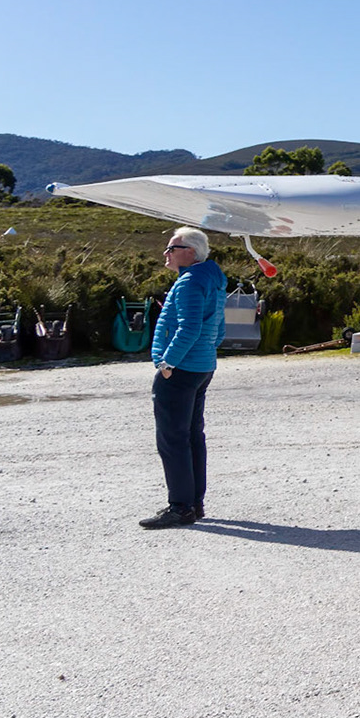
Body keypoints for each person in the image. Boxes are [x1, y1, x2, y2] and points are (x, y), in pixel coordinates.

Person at [140, 227, 226, 530]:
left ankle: (180, 507)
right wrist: (206, 353)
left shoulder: (190, 281)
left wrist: (167, 363)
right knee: (192, 435)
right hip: (202, 366)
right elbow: (218, 327)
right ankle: (194, 503)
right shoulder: (211, 279)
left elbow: (188, 327)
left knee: (172, 439)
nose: (166, 253)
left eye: (171, 248)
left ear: (190, 252)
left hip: (181, 370)